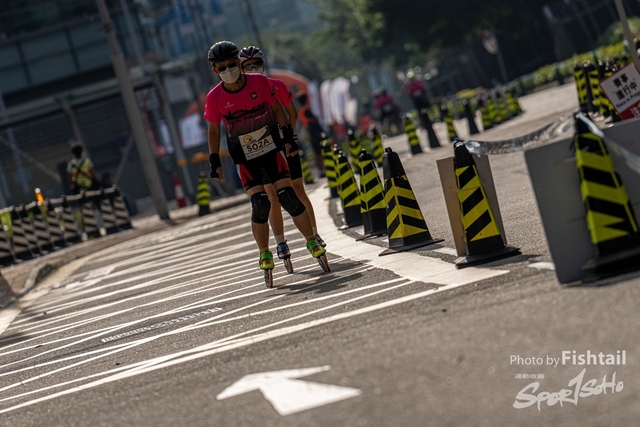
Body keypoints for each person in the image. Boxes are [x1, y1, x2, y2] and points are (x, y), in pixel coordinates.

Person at [203, 41, 326, 271]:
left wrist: (289, 138)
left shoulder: (260, 82)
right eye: (222, 68)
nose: (228, 70)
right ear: (215, 70)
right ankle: (265, 252)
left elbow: (280, 110)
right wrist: (214, 160)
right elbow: (213, 130)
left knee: (289, 196)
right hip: (245, 157)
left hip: (272, 149)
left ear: (238, 63)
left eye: (231, 65)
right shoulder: (214, 97)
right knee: (260, 204)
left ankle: (312, 239)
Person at [238, 45, 325, 264]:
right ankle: (280, 242)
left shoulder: (276, 85)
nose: (253, 69)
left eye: (256, 65)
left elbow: (291, 113)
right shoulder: (241, 95)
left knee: (297, 189)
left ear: (263, 65)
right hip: (263, 150)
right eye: (248, 67)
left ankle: (314, 234)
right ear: (241, 69)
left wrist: (289, 137)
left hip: (285, 145)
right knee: (271, 197)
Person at [296, 91, 325, 171]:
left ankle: (320, 169)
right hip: (314, 133)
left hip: (309, 133)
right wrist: (316, 119)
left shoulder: (300, 110)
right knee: (318, 151)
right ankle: (321, 168)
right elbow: (312, 120)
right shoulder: (306, 110)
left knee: (315, 151)